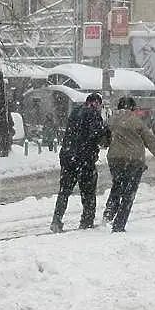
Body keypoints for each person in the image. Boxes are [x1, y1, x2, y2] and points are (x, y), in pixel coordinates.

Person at [102, 96, 155, 233]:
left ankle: (108, 214)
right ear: (132, 108)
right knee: (129, 193)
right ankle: (119, 225)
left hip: (114, 159)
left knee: (117, 186)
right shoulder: (137, 121)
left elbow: (104, 138)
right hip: (133, 160)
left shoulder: (111, 120)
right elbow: (149, 139)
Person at [50, 92, 110, 233]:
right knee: (88, 193)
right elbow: (96, 134)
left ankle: (56, 220)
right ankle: (87, 221)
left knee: (64, 192)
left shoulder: (75, 112)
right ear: (96, 103)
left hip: (67, 156)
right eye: (99, 105)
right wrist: (106, 130)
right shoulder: (93, 114)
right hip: (84, 159)